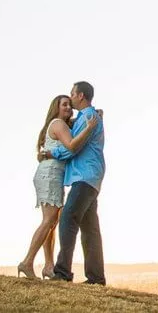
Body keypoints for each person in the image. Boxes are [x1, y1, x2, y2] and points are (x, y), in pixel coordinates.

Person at [17, 95, 98, 279]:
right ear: (56, 107)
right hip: (50, 174)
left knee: (51, 223)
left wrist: (94, 114)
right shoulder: (59, 124)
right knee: (48, 221)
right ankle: (27, 262)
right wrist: (89, 127)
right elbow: (71, 146)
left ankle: (48, 266)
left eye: (70, 104)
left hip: (53, 174)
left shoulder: (61, 124)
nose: (69, 107)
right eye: (64, 105)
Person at [48, 81, 106, 285]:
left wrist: (50, 152)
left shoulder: (88, 117)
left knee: (67, 219)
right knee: (90, 228)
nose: (70, 98)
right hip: (92, 177)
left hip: (84, 176)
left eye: (72, 94)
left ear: (80, 95)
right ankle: (96, 278)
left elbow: (73, 147)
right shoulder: (88, 116)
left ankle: (62, 272)